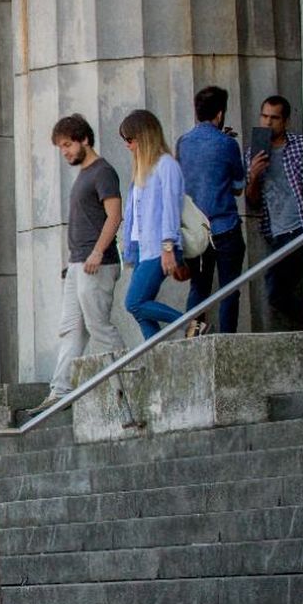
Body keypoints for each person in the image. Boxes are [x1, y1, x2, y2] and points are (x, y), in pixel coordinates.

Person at [27, 113, 127, 415]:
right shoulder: (84, 173)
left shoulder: (103, 171)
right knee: (71, 329)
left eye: (68, 144)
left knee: (99, 327)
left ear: (84, 139)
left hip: (95, 263)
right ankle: (60, 391)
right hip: (77, 263)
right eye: (61, 147)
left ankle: (127, 381)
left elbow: (115, 215)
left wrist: (98, 252)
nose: (65, 151)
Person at [176, 85, 248, 335]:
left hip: (196, 230)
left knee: (199, 288)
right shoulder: (227, 144)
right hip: (224, 226)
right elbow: (239, 186)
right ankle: (227, 340)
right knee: (230, 289)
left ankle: (192, 339)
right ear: (220, 114)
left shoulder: (183, 143)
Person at [120, 110, 188, 340]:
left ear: (144, 137)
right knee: (141, 311)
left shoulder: (166, 165)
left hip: (159, 246)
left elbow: (171, 208)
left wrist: (168, 246)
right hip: (142, 248)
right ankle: (155, 355)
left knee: (134, 302)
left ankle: (190, 323)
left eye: (130, 139)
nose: (128, 146)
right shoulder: (142, 170)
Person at [245, 95, 303, 329]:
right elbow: (252, 203)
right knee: (276, 293)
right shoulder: (253, 153)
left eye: (274, 118)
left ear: (285, 121)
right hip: (277, 233)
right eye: (264, 116)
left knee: (281, 288)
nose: (268, 123)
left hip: (302, 226)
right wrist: (254, 176)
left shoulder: (300, 146)